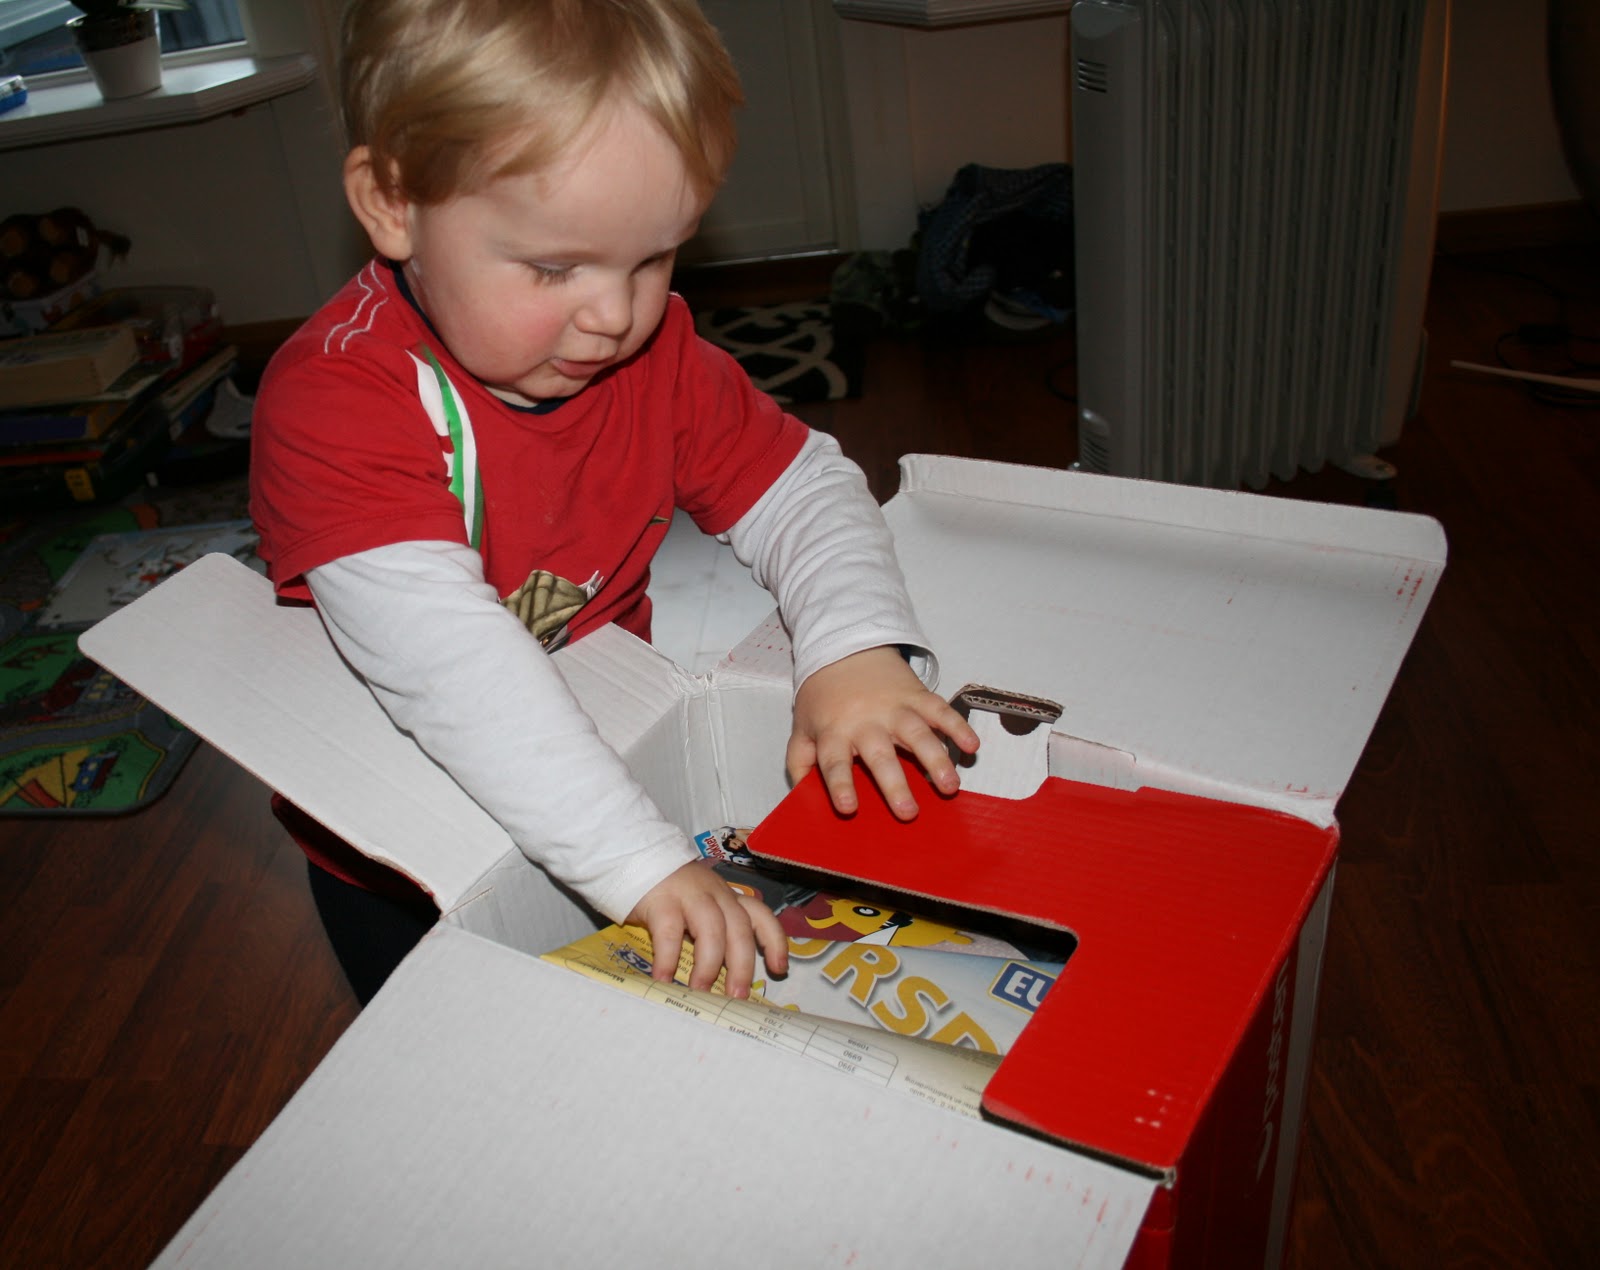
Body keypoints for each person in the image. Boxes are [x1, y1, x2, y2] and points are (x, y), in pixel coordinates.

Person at [249, 0, 978, 1007]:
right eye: (554, 267)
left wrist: (852, 647)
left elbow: (803, 486)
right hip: (404, 855)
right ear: (392, 202)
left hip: (610, 772)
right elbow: (450, 669)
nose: (616, 314)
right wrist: (639, 861)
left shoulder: (654, 352)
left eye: (654, 256)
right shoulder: (338, 401)